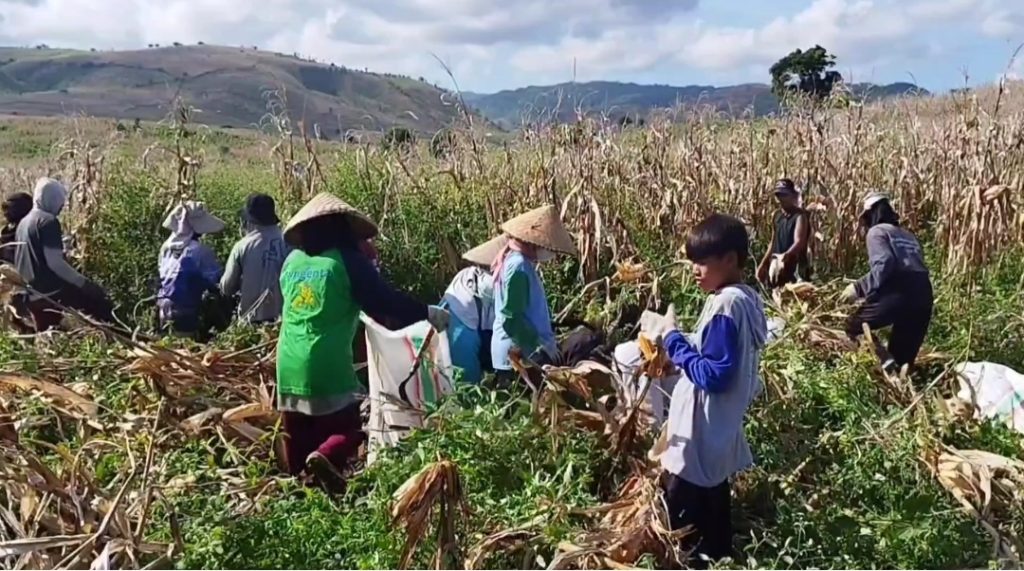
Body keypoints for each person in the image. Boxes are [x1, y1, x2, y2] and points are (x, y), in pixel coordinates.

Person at [275, 192, 449, 491]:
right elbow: (382, 301)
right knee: (350, 429)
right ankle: (325, 456)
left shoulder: (291, 261)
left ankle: (297, 494)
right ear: (342, 229)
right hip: (326, 363)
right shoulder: (347, 261)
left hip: (287, 362)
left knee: (298, 435)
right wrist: (426, 312)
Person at [644, 213, 767, 565]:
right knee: (713, 489)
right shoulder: (744, 298)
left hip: (702, 425)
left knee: (684, 501)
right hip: (719, 424)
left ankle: (685, 560)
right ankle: (720, 553)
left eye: (702, 262)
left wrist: (673, 340)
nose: (695, 270)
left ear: (730, 260)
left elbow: (715, 375)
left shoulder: (726, 304)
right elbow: (718, 353)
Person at [842, 192, 933, 371]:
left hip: (900, 291)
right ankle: (902, 390)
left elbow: (885, 264)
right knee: (902, 361)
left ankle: (882, 359)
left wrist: (858, 288)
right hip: (924, 295)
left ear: (871, 214)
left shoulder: (877, 232)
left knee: (853, 326)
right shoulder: (907, 235)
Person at [490, 205, 577, 385]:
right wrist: (539, 345)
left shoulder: (515, 262)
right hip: (521, 357)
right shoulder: (519, 267)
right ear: (533, 243)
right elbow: (511, 318)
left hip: (519, 353)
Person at [14, 177, 113, 330]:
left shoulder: (23, 223)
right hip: (49, 293)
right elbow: (56, 263)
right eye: (59, 200)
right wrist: (85, 284)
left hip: (30, 293)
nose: (61, 206)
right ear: (51, 199)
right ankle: (113, 336)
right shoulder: (47, 221)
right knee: (99, 302)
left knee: (48, 334)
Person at [157, 201, 225, 336]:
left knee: (169, 345)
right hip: (186, 309)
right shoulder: (199, 250)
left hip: (163, 307)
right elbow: (217, 278)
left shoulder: (166, 248)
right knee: (187, 347)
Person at [220, 194, 289, 324]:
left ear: (249, 220)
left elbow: (227, 288)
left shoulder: (242, 246)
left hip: (251, 321)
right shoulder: (290, 242)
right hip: (284, 321)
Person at [443, 235, 500, 384]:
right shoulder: (491, 286)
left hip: (461, 315)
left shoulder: (469, 275)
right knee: (466, 385)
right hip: (463, 322)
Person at [757, 178, 811, 287]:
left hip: (795, 269)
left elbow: (799, 242)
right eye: (778, 195)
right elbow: (773, 242)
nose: (781, 199)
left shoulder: (800, 216)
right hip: (778, 266)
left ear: (792, 195)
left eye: (785, 195)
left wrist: (784, 257)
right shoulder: (776, 216)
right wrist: (763, 263)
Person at [1, 192, 32, 264]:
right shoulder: (6, 231)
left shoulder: (29, 231)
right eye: (4, 208)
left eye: (8, 208)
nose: (5, 213)